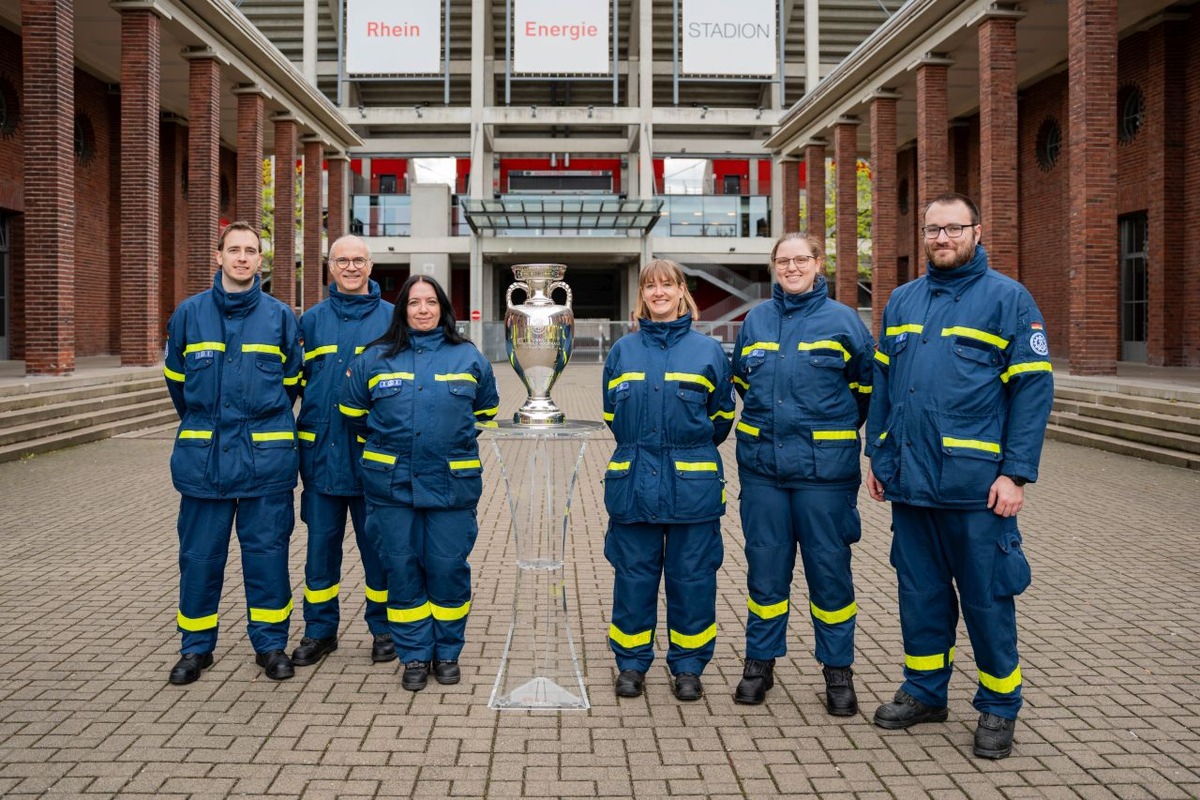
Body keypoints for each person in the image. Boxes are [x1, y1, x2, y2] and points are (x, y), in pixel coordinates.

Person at [865, 192, 1054, 759]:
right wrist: (879, 456)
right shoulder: (902, 300)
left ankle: (998, 708)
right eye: (932, 230)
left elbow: (1032, 392)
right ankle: (925, 693)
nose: (941, 238)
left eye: (953, 228)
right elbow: (883, 386)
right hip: (912, 484)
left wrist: (1016, 475)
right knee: (919, 595)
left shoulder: (1009, 300)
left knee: (986, 599)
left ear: (976, 231)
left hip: (977, 489)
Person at [730, 233, 875, 713]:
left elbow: (864, 391)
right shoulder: (756, 320)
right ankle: (759, 664)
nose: (792, 268)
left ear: (818, 263)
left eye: (801, 260)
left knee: (829, 575)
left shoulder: (844, 321)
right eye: (783, 261)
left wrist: (823, 436)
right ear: (774, 267)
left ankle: (838, 673)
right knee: (765, 575)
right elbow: (741, 382)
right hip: (763, 473)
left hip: (824, 477)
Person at [338, 275, 499, 691]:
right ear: (402, 310)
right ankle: (413, 655)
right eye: (414, 303)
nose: (423, 310)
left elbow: (485, 413)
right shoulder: (376, 357)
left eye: (431, 302)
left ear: (444, 308)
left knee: (448, 568)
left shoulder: (468, 357)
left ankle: (446, 651)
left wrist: (449, 444)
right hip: (391, 487)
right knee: (402, 569)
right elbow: (353, 412)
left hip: (451, 485)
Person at [162, 221, 303, 685]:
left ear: (261, 261)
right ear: (219, 257)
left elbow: (291, 385)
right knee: (200, 558)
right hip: (205, 462)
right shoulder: (188, 314)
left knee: (267, 556)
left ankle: (270, 646)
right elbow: (178, 386)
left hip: (266, 461)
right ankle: (195, 649)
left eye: (251, 251)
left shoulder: (281, 318)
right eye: (234, 250)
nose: (243, 258)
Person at [601, 259, 736, 701]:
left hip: (691, 485)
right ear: (643, 294)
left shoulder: (709, 351)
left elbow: (720, 419)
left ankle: (689, 667)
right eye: (651, 286)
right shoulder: (623, 350)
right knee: (633, 577)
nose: (659, 292)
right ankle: (631, 665)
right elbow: (612, 416)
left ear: (682, 291)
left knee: (692, 578)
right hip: (635, 480)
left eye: (667, 285)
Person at [291, 236, 395, 668]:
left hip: (374, 461)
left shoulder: (394, 320)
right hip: (321, 458)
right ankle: (319, 632)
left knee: (381, 552)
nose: (350, 267)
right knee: (320, 554)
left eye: (358, 260)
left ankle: (386, 630)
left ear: (371, 266)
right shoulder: (310, 322)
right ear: (329, 266)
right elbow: (292, 387)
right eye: (342, 260)